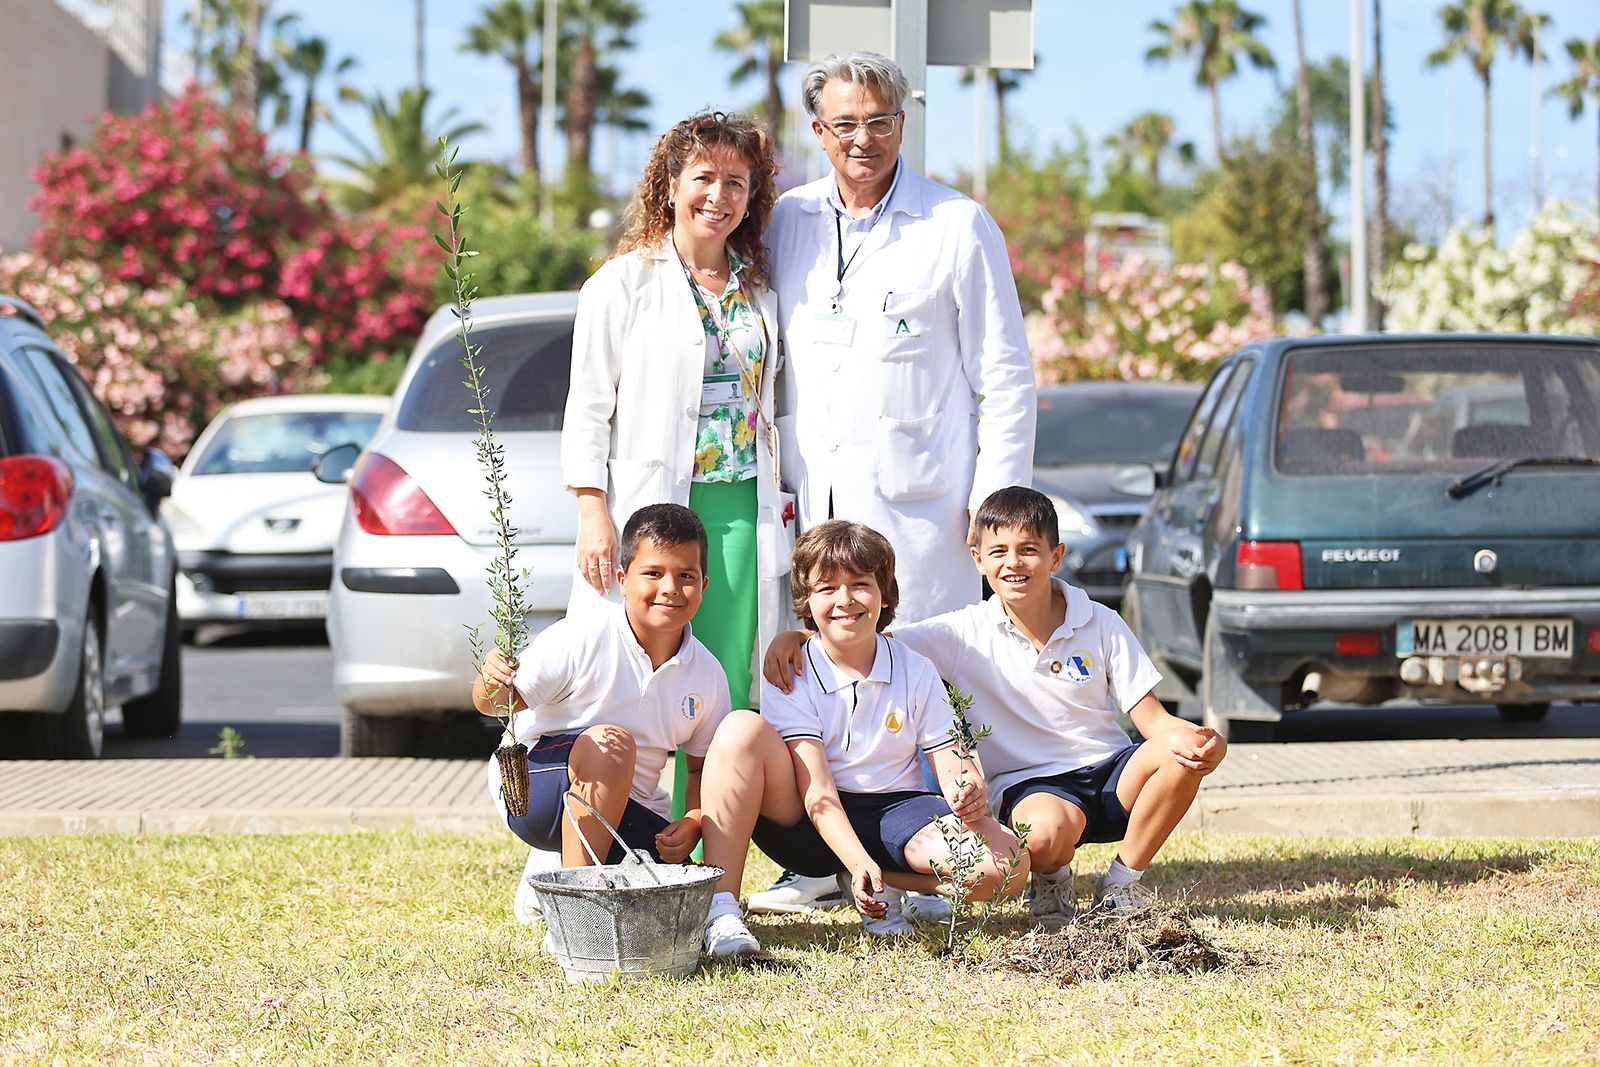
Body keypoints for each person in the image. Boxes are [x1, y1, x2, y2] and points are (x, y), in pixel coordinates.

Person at [752, 50, 1037, 914]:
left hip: (925, 514)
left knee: (930, 686)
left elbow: (1007, 374)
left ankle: (938, 860)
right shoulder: (788, 219)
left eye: (880, 121)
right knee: (809, 681)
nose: (863, 139)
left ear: (902, 123)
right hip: (813, 512)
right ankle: (817, 862)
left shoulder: (956, 223)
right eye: (844, 124)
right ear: (819, 132)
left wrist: (994, 509)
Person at [765, 487, 1227, 926]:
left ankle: (1123, 884)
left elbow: (1154, 721)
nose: (1014, 564)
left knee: (1180, 748)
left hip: (1110, 770)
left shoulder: (1100, 620)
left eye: (1028, 549)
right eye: (999, 551)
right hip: (1035, 789)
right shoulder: (961, 632)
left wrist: (1206, 743)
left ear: (1056, 556)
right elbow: (866, 635)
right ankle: (1051, 876)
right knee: (1039, 839)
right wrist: (799, 636)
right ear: (977, 559)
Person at [561, 111, 790, 714]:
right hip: (651, 505)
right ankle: (628, 807)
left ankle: (714, 808)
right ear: (670, 185)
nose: (719, 196)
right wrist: (592, 512)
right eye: (704, 178)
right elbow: (587, 406)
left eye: (737, 182)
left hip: (741, 502)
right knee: (635, 674)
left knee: (727, 673)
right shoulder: (621, 284)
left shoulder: (760, 289)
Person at [708, 519, 1028, 939]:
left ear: (884, 593)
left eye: (860, 584)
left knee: (1010, 864)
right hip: (806, 817)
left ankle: (889, 882)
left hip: (896, 809)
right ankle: (722, 910)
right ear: (806, 599)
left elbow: (951, 759)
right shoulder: (792, 668)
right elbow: (818, 791)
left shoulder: (915, 667)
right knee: (739, 728)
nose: (845, 600)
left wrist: (966, 790)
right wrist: (857, 858)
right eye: (827, 588)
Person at [473, 504, 763, 958]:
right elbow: (496, 704)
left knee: (676, 892)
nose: (670, 588)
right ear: (622, 578)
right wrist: (489, 678)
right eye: (653, 573)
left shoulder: (706, 673)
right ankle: (574, 917)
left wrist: (690, 821)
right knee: (612, 746)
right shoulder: (580, 637)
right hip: (535, 790)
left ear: (704, 585)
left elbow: (704, 770)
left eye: (686, 575)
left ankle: (553, 876)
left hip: (627, 808)